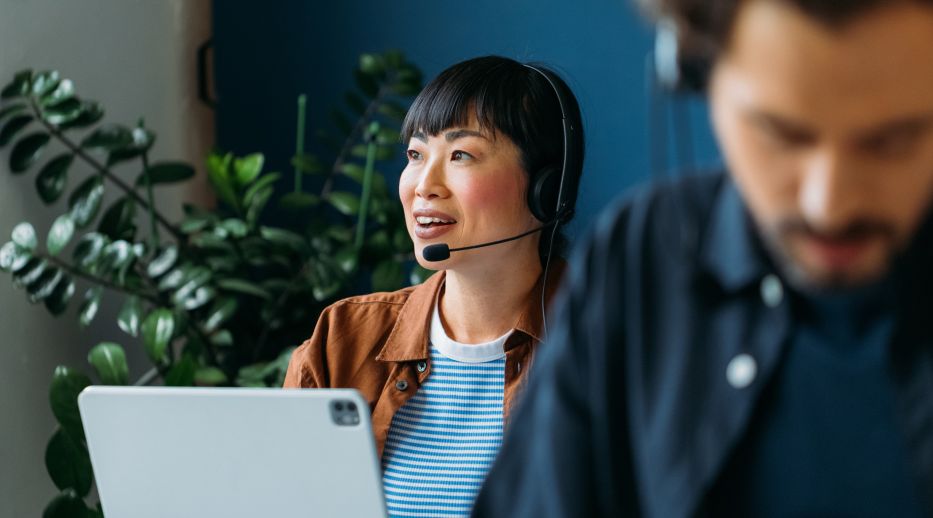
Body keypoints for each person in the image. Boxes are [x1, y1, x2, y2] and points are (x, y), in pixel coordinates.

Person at [472, 1, 933, 516]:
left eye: (894, 141)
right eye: (781, 135)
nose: (829, 205)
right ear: (691, 74)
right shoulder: (640, 255)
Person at [283, 55, 585, 517]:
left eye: (461, 154)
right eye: (415, 155)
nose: (424, 185)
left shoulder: (607, 341)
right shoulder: (343, 338)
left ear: (548, 189)